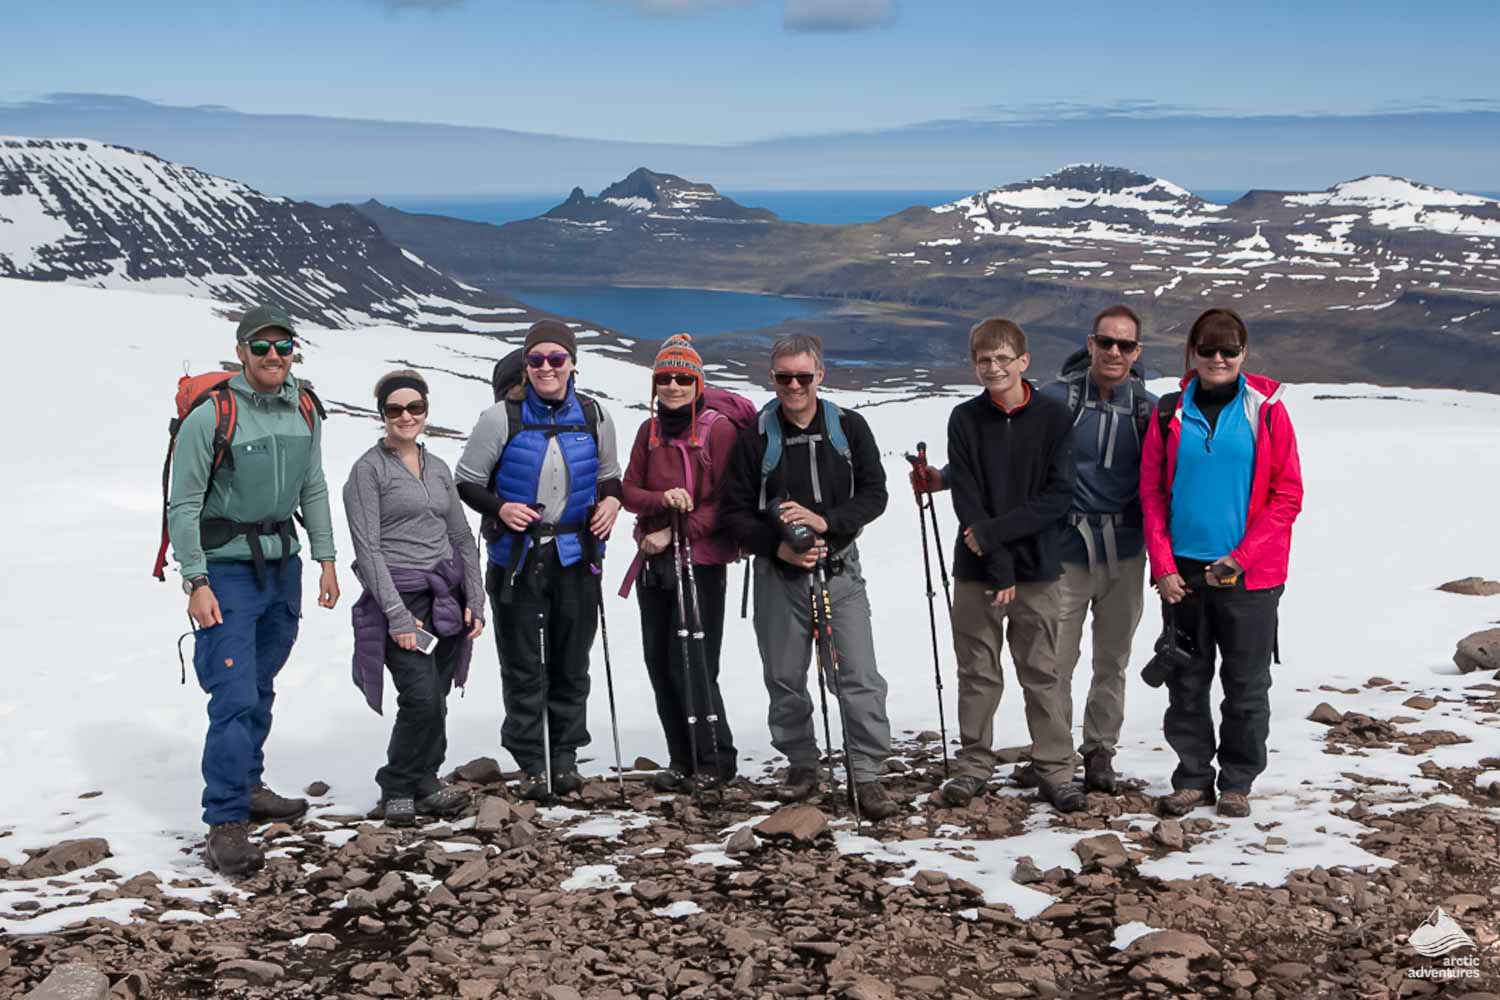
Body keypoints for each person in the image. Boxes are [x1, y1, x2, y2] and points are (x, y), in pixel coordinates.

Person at [909, 306, 1159, 795]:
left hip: (1120, 547)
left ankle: (1095, 751)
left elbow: (1161, 475)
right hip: (1062, 547)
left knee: (1109, 660)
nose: (1114, 352)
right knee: (1052, 663)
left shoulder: (1147, 410)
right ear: (1090, 345)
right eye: (1106, 342)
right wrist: (945, 479)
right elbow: (998, 462)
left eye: (1125, 345)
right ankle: (1051, 758)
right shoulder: (1057, 401)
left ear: (1136, 352)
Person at [168, 304, 340, 876]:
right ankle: (225, 821)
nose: (273, 356)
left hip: (282, 566)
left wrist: (325, 559)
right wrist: (195, 580)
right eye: (261, 346)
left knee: (260, 684)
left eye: (282, 346)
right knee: (234, 693)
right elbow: (183, 505)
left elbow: (313, 486)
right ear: (241, 351)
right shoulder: (212, 416)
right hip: (226, 572)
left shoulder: (305, 407)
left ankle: (250, 786)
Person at [720, 334, 900, 820]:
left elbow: (875, 494)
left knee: (857, 673)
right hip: (779, 575)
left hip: (839, 569)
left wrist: (827, 522)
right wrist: (776, 546)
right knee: (784, 675)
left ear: (820, 375)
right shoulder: (756, 438)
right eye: (784, 377)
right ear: (772, 377)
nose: (794, 386)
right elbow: (733, 513)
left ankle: (866, 774)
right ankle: (802, 764)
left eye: (803, 376)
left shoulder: (848, 428)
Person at [1139, 308, 1303, 819]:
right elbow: (1151, 495)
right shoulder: (1169, 413)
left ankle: (1236, 781)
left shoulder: (1267, 412)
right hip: (1184, 576)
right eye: (1207, 349)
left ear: (1243, 353)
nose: (1217, 358)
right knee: (1186, 682)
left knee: (1246, 687)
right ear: (1193, 352)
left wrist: (1239, 559)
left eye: (1228, 350)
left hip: (1251, 578)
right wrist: (1163, 567)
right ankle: (1192, 779)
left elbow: (1287, 496)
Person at [455, 320, 623, 800]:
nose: (547, 367)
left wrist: (613, 501)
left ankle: (564, 758)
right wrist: (501, 509)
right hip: (518, 556)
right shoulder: (499, 418)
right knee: (523, 663)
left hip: (576, 554)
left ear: (572, 363)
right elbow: (467, 481)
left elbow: (609, 475)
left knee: (572, 660)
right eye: (536, 359)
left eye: (556, 358)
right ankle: (532, 761)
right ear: (526, 366)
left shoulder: (594, 416)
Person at [936, 318, 1083, 812]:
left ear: (1023, 361)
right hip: (978, 569)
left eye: (1003, 358)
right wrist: (998, 563)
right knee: (977, 670)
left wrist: (997, 541)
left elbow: (1058, 496)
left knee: (1042, 670)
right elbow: (968, 497)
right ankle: (974, 765)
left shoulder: (1054, 417)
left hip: (1037, 567)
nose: (993, 368)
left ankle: (1056, 768)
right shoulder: (964, 419)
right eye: (984, 360)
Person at [345, 370, 486, 827]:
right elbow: (368, 550)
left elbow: (461, 536)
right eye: (395, 409)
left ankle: (426, 778)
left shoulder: (438, 467)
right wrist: (398, 617)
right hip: (399, 599)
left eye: (415, 407)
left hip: (445, 596)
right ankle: (397, 784)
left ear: (425, 411)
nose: (406, 416)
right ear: (382, 414)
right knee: (420, 696)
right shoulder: (368, 471)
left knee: (438, 694)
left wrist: (476, 597)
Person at [620, 335, 740, 792]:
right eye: (665, 378)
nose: (673, 385)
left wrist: (673, 531)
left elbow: (725, 503)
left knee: (693, 662)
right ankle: (681, 758)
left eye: (683, 378)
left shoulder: (718, 431)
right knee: (659, 661)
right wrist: (662, 501)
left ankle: (715, 759)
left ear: (698, 384)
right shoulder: (648, 431)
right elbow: (629, 491)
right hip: (654, 562)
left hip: (700, 563)